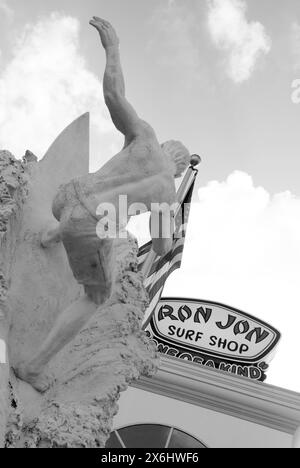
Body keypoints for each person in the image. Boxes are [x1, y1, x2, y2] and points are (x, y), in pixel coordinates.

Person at [15, 17, 191, 392]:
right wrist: (168, 217)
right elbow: (160, 248)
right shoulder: (165, 189)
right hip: (91, 222)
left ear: (164, 148)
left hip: (67, 196)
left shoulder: (144, 136)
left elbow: (114, 95)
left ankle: (49, 236)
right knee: (97, 294)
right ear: (177, 170)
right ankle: (33, 366)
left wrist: (113, 49)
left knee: (99, 227)